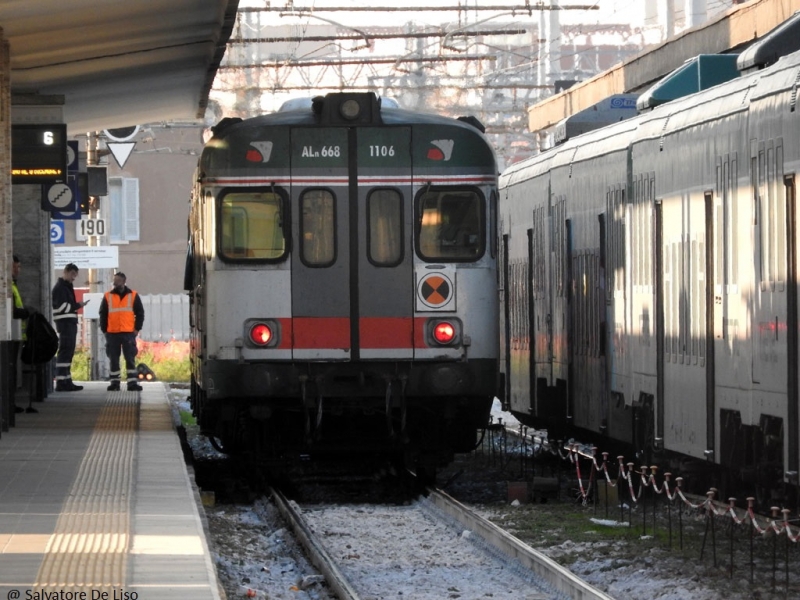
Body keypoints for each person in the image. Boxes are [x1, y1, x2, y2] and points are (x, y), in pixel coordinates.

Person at [99, 272, 145, 392]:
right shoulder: (107, 296)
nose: (115, 283)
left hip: (128, 333)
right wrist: (105, 330)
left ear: (124, 281)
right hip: (112, 333)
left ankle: (132, 383)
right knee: (113, 359)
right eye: (114, 280)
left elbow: (140, 313)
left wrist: (136, 329)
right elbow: (103, 314)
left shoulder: (133, 295)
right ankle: (114, 383)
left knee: (129, 358)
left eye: (118, 280)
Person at [52, 263, 88, 391]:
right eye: (72, 274)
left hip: (69, 323)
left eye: (75, 275)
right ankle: (61, 382)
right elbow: (62, 307)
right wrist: (77, 305)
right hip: (65, 323)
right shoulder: (60, 288)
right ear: (66, 271)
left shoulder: (66, 287)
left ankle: (66, 380)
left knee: (68, 353)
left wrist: (75, 305)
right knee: (65, 351)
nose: (74, 278)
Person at [10, 255, 30, 413]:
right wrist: (24, 313)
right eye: (15, 266)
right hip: (8, 334)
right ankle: (8, 404)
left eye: (19, 266)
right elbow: (10, 310)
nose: (18, 270)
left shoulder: (12, 285)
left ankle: (10, 403)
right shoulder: (7, 285)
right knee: (9, 370)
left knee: (12, 370)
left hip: (15, 334)